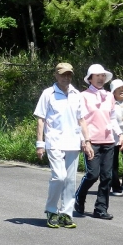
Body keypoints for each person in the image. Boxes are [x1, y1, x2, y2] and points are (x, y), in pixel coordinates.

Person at [35, 63, 93, 228]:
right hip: (54, 142)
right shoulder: (48, 94)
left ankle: (66, 214)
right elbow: (41, 119)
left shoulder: (77, 94)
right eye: (62, 74)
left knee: (69, 180)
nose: (66, 77)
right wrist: (40, 143)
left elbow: (82, 120)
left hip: (73, 142)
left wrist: (86, 141)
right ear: (56, 75)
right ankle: (52, 210)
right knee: (59, 177)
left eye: (68, 74)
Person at [74, 64, 123, 220]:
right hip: (92, 141)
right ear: (90, 79)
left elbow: (112, 117)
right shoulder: (83, 96)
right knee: (92, 174)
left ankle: (100, 208)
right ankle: (79, 196)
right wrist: (84, 141)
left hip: (108, 140)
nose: (101, 78)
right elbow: (79, 120)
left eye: (103, 76)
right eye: (97, 76)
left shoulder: (109, 96)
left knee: (107, 176)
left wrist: (119, 134)